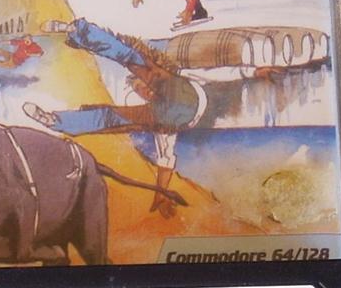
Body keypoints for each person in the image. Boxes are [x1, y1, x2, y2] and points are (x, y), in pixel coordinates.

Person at [23, 18, 206, 217]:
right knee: (110, 117)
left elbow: (166, 160)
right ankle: (54, 121)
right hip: (174, 114)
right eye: (140, 91)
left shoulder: (169, 81)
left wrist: (161, 194)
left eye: (141, 86)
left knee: (130, 58)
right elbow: (166, 160)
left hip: (188, 93)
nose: (145, 91)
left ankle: (77, 30)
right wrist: (160, 193)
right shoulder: (161, 122)